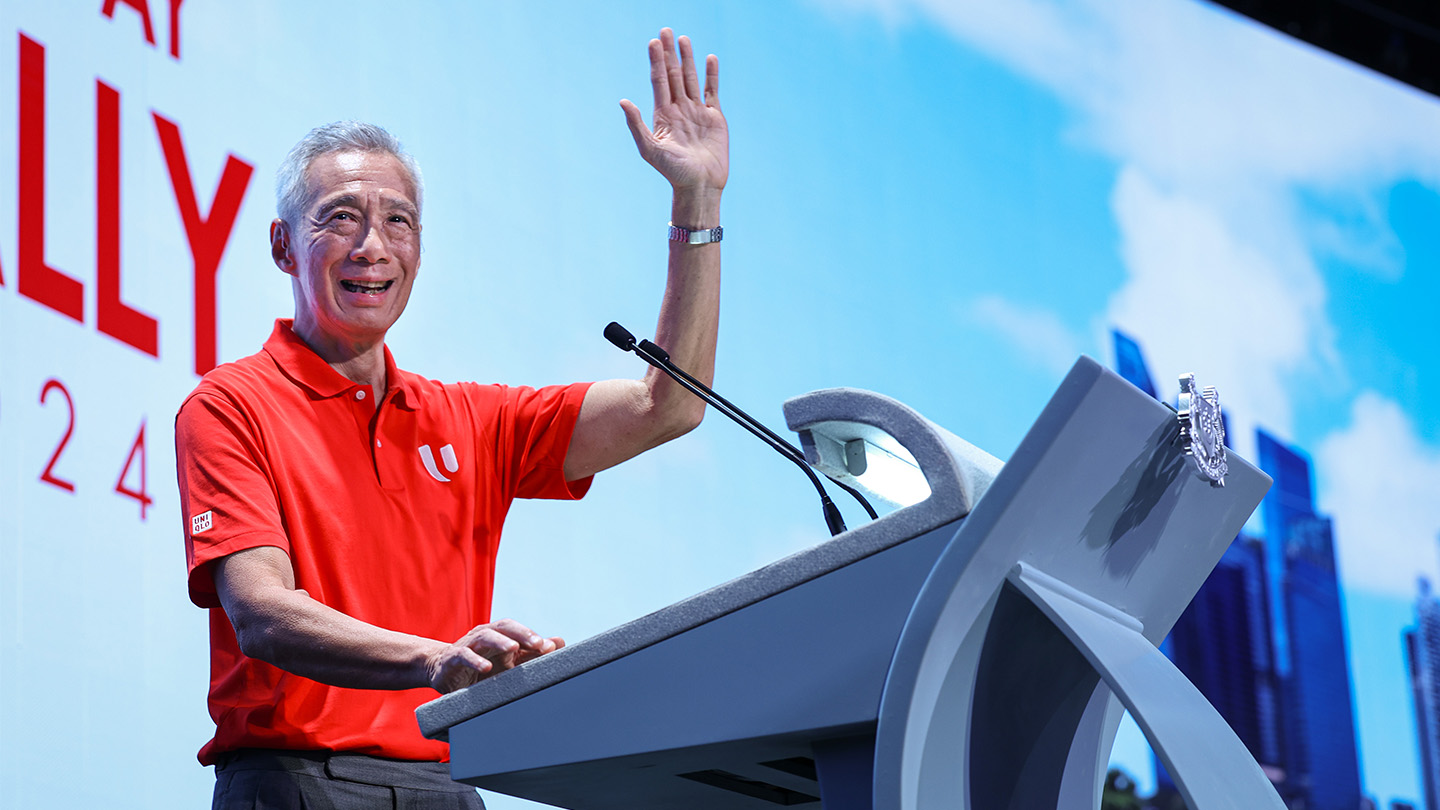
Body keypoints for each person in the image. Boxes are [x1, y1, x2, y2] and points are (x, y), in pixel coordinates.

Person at [174, 27, 726, 809]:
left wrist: (694, 198)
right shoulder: (230, 406)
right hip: (295, 783)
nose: (373, 245)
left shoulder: (472, 419)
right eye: (340, 217)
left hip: (448, 785)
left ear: (420, 251)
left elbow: (667, 405)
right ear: (282, 245)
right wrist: (436, 659)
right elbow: (262, 614)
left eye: (398, 221)